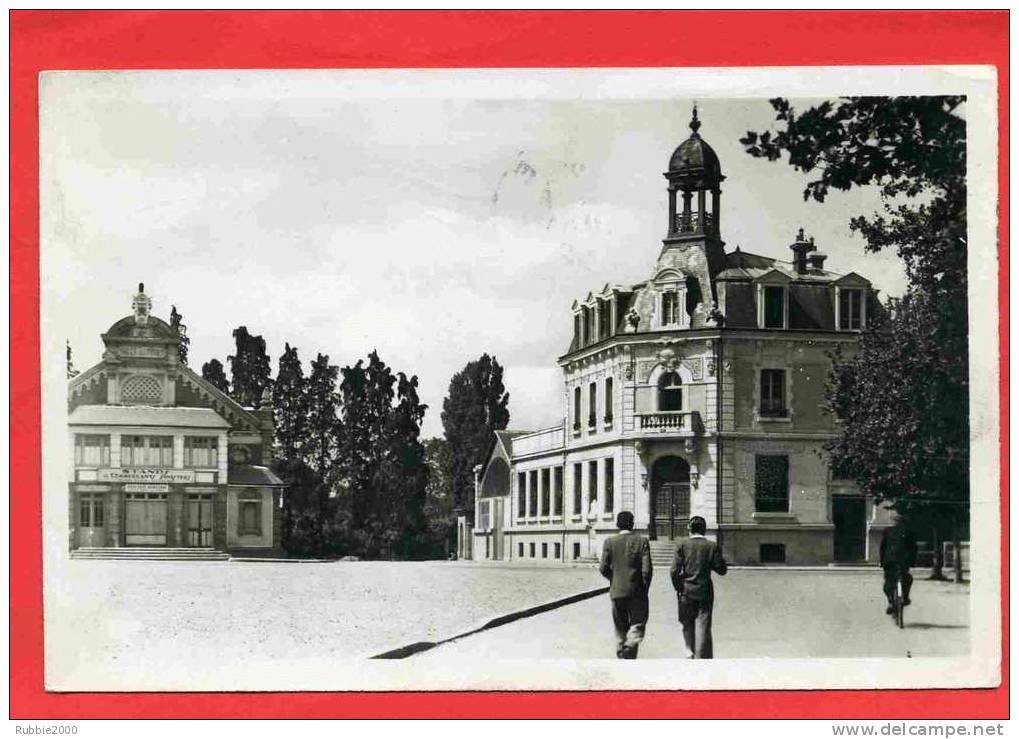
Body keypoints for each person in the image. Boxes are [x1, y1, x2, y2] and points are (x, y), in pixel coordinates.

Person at [670, 516, 727, 659]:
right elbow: (721, 570)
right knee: (703, 623)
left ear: (689, 529)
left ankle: (689, 650)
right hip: (704, 589)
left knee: (686, 621)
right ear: (705, 529)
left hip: (686, 589)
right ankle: (702, 656)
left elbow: (673, 570)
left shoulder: (681, 544)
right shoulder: (712, 546)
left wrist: (679, 587)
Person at [598, 510, 653, 659]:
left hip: (617, 591)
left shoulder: (609, 542)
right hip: (637, 591)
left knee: (620, 626)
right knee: (638, 622)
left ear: (617, 524)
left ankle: (621, 652)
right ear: (632, 524)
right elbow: (647, 571)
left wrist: (614, 579)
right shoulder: (642, 541)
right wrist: (644, 588)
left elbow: (603, 568)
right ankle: (629, 646)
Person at [880, 513, 918, 614]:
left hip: (890, 561)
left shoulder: (887, 531)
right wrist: (913, 563)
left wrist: (882, 562)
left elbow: (883, 548)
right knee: (908, 579)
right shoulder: (909, 532)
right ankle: (905, 597)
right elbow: (913, 549)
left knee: (888, 582)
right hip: (903, 562)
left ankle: (890, 602)